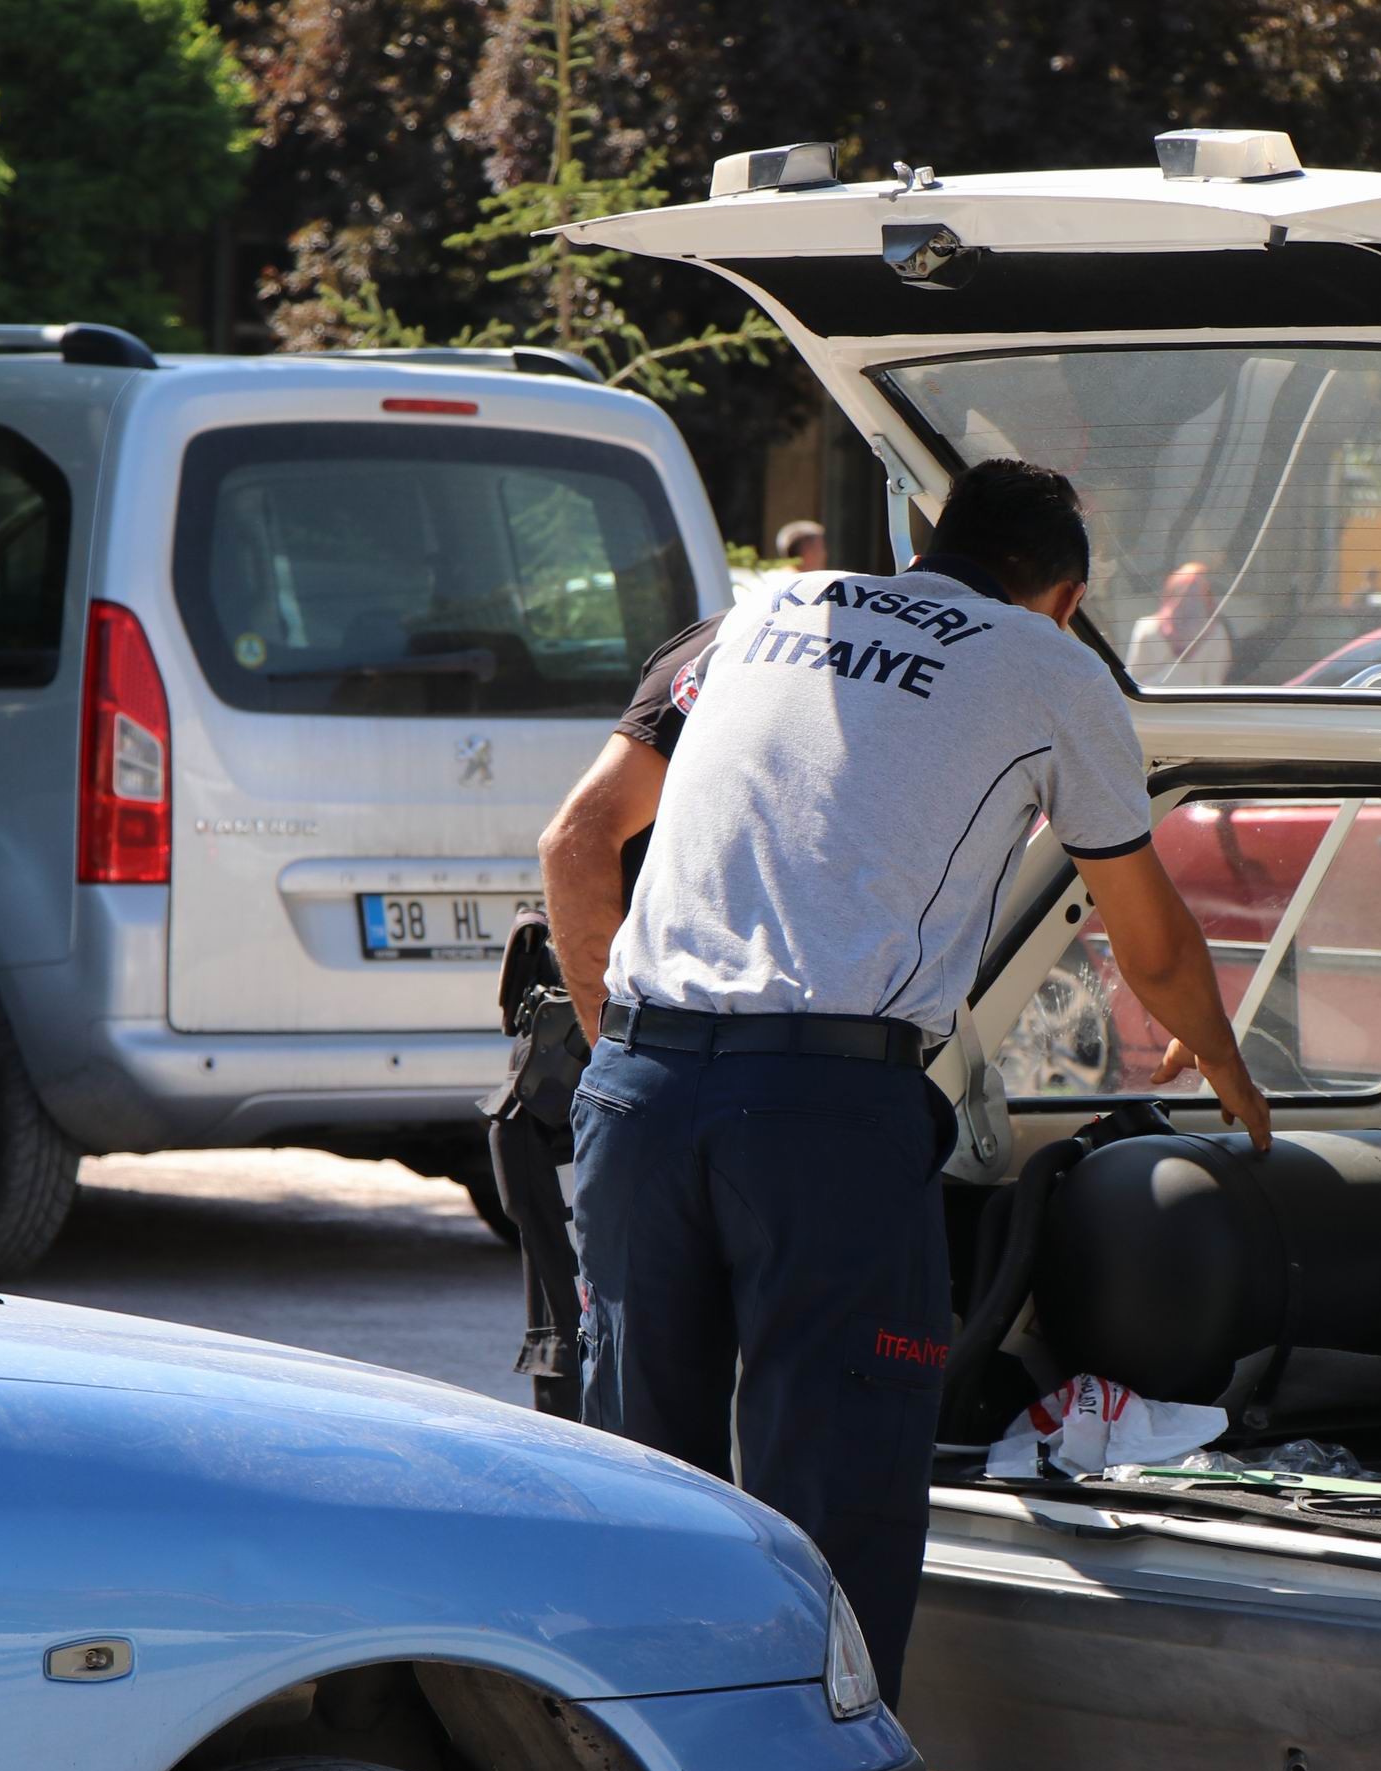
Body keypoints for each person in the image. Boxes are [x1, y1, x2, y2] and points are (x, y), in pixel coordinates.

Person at [571, 459, 1269, 1701]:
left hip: (640, 1089)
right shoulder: (1050, 669)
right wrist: (1224, 1063)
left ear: (925, 546)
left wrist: (618, 1068)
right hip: (825, 1121)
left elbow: (577, 841)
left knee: (636, 1498)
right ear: (1064, 594)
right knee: (834, 1500)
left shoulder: (756, 614)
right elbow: (1149, 939)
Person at [495, 608, 725, 1419]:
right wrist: (611, 1054)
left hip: (644, 1064)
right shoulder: (728, 649)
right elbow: (573, 841)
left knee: (642, 1396)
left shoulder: (728, 645)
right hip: (646, 1054)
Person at [1122, 560, 1234, 686]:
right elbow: (1133, 683)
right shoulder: (1216, 633)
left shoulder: (1216, 633)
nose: (1190, 600)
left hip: (1172, 704)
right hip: (1173, 704)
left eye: (1195, 593)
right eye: (1186, 593)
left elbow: (1133, 680)